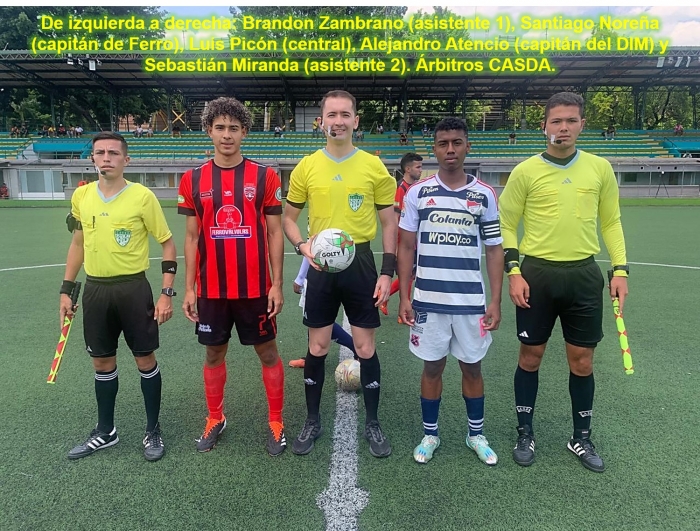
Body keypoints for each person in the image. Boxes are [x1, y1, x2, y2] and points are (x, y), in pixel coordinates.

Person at [499, 92, 629, 473]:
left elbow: (611, 222)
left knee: (582, 360)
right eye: (556, 121)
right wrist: (514, 271)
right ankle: (525, 431)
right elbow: (507, 223)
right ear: (544, 126)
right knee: (530, 356)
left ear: (582, 125)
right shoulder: (525, 171)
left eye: (571, 120)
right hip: (537, 275)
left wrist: (620, 270)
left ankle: (581, 437)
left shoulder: (599, 168)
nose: (563, 127)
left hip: (584, 277)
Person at [283, 89, 397, 458]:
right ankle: (312, 419)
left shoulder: (373, 167)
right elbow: (288, 219)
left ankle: (373, 422)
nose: (338, 121)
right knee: (317, 346)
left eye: (345, 115)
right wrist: (302, 247)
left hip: (360, 262)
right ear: (321, 122)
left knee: (365, 347)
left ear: (356, 121)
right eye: (331, 115)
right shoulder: (307, 166)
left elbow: (389, 222)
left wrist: (387, 272)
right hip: (321, 265)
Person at [177, 97, 287, 456]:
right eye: (220, 127)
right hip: (212, 289)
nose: (227, 135)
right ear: (209, 131)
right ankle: (215, 418)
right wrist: (189, 288)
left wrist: (276, 284)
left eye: (234, 128)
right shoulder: (192, 179)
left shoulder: (265, 176)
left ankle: (276, 422)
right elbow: (191, 237)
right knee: (213, 354)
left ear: (244, 133)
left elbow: (275, 233)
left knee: (267, 352)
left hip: (255, 288)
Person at [60, 132, 177, 462]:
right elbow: (78, 244)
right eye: (100, 152)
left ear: (126, 159)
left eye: (113, 153)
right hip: (96, 290)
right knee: (102, 361)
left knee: (145, 360)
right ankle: (106, 431)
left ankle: (152, 429)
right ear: (92, 158)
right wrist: (66, 290)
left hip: (133, 289)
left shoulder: (142, 197)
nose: (106, 158)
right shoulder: (82, 196)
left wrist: (166, 293)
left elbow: (168, 243)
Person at [398, 118, 503, 466]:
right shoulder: (418, 193)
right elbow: (406, 246)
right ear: (434, 149)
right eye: (443, 144)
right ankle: (430, 434)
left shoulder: (484, 195)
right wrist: (405, 296)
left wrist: (495, 301)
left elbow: (494, 250)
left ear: (467, 146)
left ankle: (476, 435)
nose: (450, 150)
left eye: (457, 142)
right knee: (432, 368)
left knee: (472, 369)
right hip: (428, 302)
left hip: (470, 303)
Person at [288, 258, 358, 368]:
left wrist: (300, 277)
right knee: (315, 319)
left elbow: (310, 252)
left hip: (320, 274)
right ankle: (310, 357)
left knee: (317, 320)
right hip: (336, 270)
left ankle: (355, 347)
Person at [379, 152, 423, 318]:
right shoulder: (401, 188)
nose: (420, 170)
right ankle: (392, 303)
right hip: (403, 241)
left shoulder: (413, 188)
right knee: (408, 274)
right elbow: (395, 218)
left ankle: (385, 298)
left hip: (411, 239)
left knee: (411, 274)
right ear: (408, 169)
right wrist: (398, 246)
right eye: (418, 167)